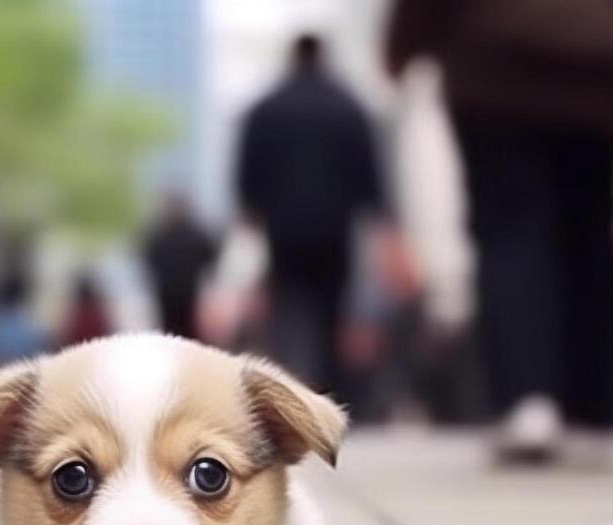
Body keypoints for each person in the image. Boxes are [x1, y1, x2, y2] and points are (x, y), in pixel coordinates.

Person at [387, 0, 613, 462]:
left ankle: (526, 398)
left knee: (509, 228)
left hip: (495, 54)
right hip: (601, 57)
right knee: (590, 233)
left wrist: (405, 42)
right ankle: (589, 409)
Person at [234, 33, 417, 401]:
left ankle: (295, 384)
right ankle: (329, 391)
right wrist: (383, 221)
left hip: (283, 230)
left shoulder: (266, 109)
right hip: (335, 229)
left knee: (289, 308)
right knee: (331, 309)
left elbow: (247, 173)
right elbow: (370, 171)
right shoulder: (348, 107)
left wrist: (251, 212)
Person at [141, 192, 218, 339]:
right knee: (182, 330)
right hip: (178, 291)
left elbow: (148, 258)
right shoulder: (193, 235)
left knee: (175, 330)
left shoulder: (160, 236)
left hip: (176, 292)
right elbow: (210, 257)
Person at [60, 272, 112, 348]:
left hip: (81, 351)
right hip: (96, 349)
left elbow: (68, 338)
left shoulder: (77, 316)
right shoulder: (97, 314)